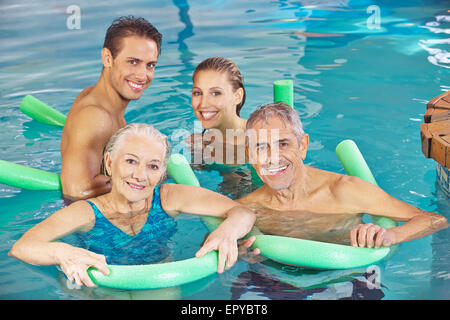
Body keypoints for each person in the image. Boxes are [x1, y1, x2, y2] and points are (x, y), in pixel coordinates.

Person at [9, 123, 256, 288]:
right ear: (109, 162)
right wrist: (62, 253)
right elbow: (21, 247)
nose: (140, 175)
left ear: (161, 173)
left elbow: (242, 212)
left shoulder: (168, 197)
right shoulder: (86, 212)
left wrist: (226, 232)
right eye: (130, 161)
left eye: (153, 166)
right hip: (101, 288)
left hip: (157, 281)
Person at [238, 102, 448, 248]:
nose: (273, 158)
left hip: (347, 278)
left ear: (303, 146)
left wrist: (390, 234)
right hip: (280, 282)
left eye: (283, 144)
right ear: (250, 155)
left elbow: (434, 219)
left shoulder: (344, 191)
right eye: (261, 148)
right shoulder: (248, 208)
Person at [60, 16, 162, 200]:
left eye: (150, 65)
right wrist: (147, 177)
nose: (142, 75)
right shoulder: (95, 117)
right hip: (95, 224)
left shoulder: (96, 97)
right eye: (132, 62)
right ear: (108, 58)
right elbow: (76, 190)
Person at [187, 57, 248, 166]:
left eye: (216, 93)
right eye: (197, 93)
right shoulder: (197, 143)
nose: (203, 104)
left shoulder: (261, 140)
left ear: (237, 96)